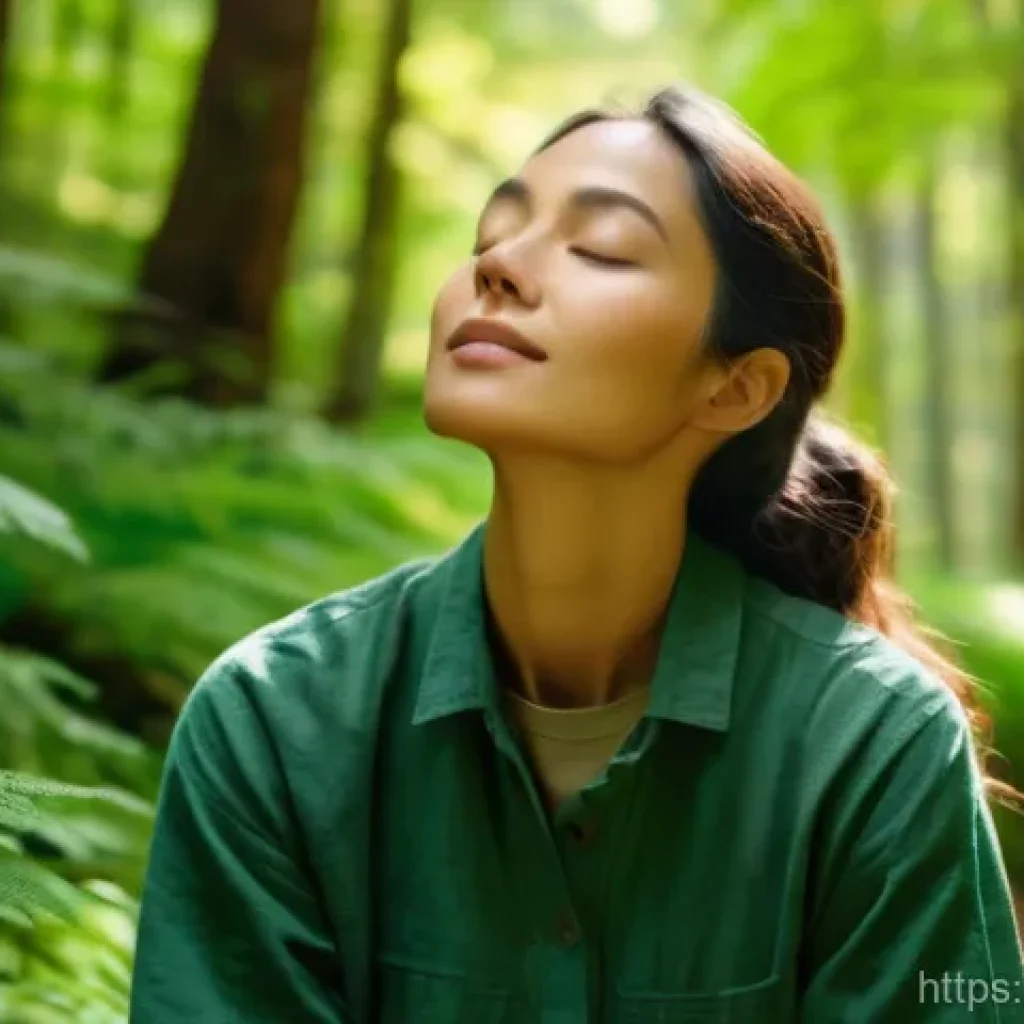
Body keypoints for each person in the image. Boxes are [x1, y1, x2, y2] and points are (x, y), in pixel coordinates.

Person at [129, 85, 1024, 1023]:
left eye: (601, 247)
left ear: (735, 387)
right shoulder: (275, 720)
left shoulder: (872, 746)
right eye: (489, 237)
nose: (500, 268)